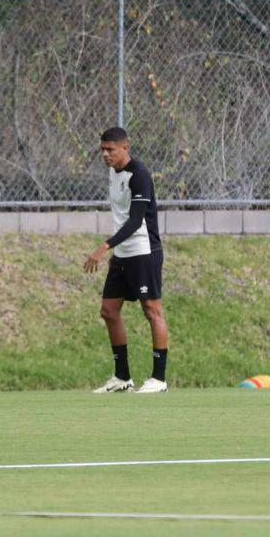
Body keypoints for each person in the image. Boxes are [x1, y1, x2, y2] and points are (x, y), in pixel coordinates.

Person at [84, 127, 170, 394]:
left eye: (111, 150)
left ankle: (158, 379)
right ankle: (122, 378)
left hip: (144, 251)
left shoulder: (140, 175)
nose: (106, 155)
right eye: (103, 150)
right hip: (122, 254)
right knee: (108, 311)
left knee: (152, 311)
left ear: (125, 147)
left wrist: (104, 247)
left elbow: (135, 221)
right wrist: (114, 253)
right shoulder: (113, 173)